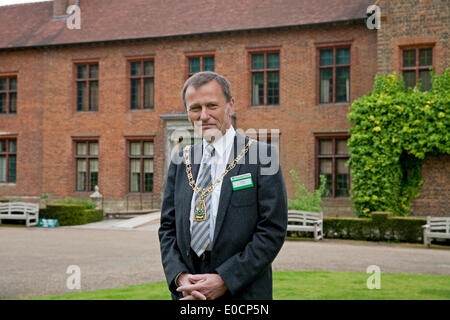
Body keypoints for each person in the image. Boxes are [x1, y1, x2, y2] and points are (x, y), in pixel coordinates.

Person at [158, 71, 287, 300]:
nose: (203, 116)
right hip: (188, 292)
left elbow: (271, 231)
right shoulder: (181, 160)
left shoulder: (262, 157)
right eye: (195, 108)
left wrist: (226, 279)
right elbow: (167, 228)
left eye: (212, 106)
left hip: (242, 292)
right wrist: (179, 276)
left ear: (230, 106)